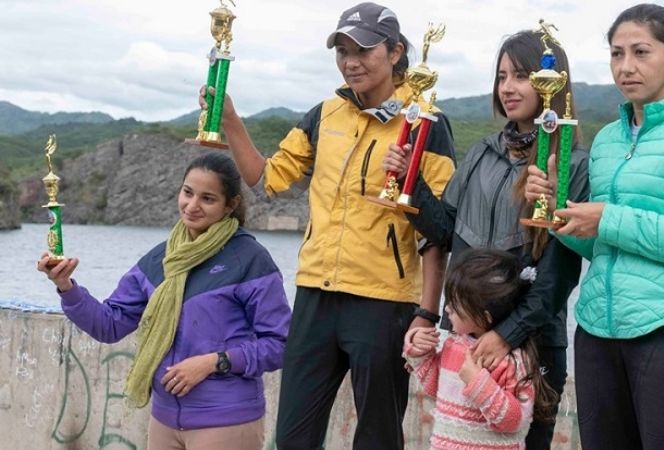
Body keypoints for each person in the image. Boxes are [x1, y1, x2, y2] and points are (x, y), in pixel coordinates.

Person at [199, 3, 456, 448]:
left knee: (377, 438)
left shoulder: (426, 121)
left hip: (383, 301)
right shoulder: (324, 115)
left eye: (363, 50)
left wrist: (427, 313)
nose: (351, 62)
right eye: (342, 51)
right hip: (316, 292)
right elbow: (267, 178)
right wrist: (231, 122)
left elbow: (441, 231)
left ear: (395, 52)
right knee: (292, 437)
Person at [525, 4, 664, 449]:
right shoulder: (607, 140)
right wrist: (557, 214)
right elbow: (602, 246)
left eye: (641, 52)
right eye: (616, 53)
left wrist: (606, 217)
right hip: (597, 333)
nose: (626, 66)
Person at [383, 30, 589, 449]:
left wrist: (505, 334)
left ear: (552, 83)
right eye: (501, 77)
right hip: (465, 336)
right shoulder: (481, 153)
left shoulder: (571, 164)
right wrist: (409, 181)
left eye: (521, 76)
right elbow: (445, 230)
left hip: (532, 343)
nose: (508, 88)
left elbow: (558, 275)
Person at [37, 152, 292, 450]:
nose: (192, 205)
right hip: (164, 421)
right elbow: (109, 324)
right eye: (188, 193)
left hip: (225, 420)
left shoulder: (249, 260)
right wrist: (66, 286)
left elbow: (281, 343)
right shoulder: (162, 258)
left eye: (208, 199)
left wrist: (214, 362)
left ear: (231, 204)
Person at [404, 248, 557, 450]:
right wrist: (419, 351)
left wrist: (478, 383)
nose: (447, 308)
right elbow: (435, 388)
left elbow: (515, 421)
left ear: (484, 317)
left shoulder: (512, 359)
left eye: (455, 304)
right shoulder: (454, 345)